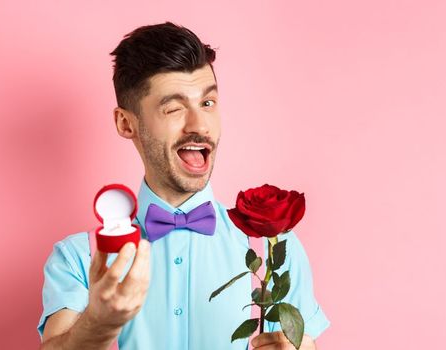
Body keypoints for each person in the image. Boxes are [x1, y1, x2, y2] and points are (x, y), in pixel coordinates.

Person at [38, 22, 329, 350]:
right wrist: (101, 322)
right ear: (125, 123)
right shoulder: (79, 257)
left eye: (208, 104)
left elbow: (301, 344)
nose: (199, 125)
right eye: (174, 108)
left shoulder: (272, 247)